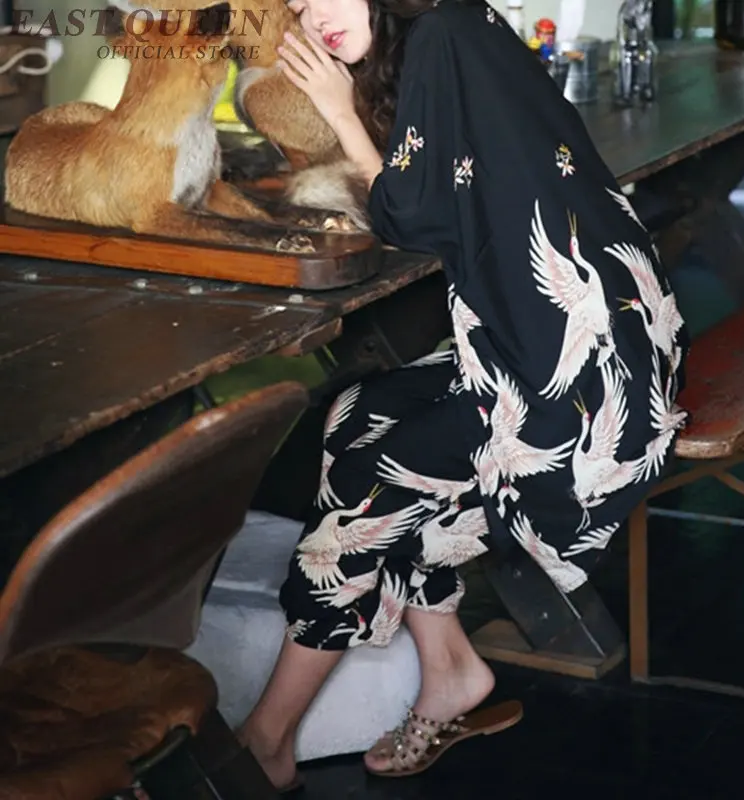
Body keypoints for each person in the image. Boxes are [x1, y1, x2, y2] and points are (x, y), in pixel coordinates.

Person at [238, 0, 691, 789]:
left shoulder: (443, 30)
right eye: (297, 4)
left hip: (580, 387)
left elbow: (411, 214)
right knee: (359, 415)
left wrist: (340, 110)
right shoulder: (447, 30)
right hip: (575, 342)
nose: (311, 16)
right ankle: (449, 668)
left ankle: (266, 739)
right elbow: (442, 200)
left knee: (370, 484)